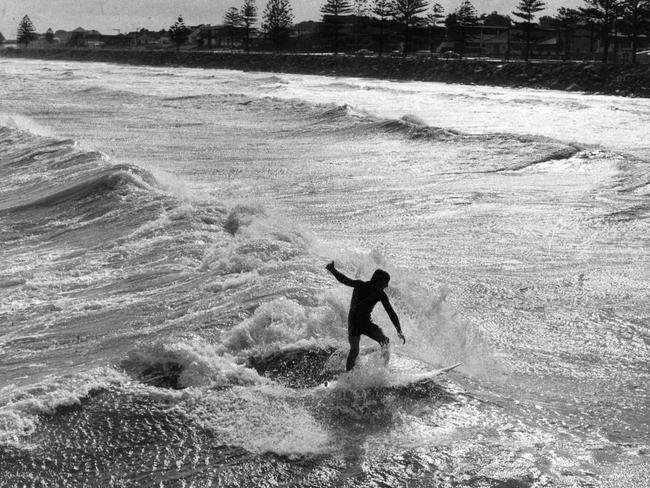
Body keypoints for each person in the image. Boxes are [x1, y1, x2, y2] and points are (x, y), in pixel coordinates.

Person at [326, 261, 405, 372]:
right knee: (354, 350)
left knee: (385, 342)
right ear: (377, 281)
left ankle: (382, 371)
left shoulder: (380, 294)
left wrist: (399, 330)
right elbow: (344, 280)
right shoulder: (361, 285)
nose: (387, 285)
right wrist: (333, 270)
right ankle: (348, 375)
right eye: (385, 282)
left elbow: (391, 312)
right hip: (353, 322)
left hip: (366, 322)